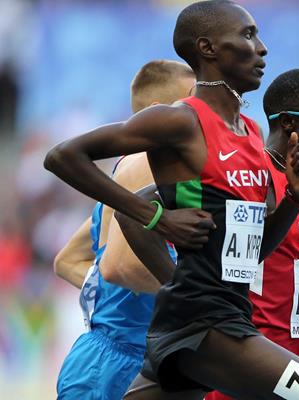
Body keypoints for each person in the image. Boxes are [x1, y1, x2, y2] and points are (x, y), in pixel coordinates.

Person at [44, 2, 299, 398]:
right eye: (247, 35)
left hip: (215, 321)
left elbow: (251, 253)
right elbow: (64, 156)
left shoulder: (249, 132)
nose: (262, 48)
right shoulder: (180, 121)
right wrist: (157, 218)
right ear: (208, 48)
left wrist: (294, 199)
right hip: (205, 327)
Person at [115, 69, 299, 400]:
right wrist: (180, 288)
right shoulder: (251, 174)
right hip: (240, 364)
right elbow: (132, 211)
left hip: (290, 364)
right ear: (289, 125)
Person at [53, 59, 202, 399]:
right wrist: (200, 297)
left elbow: (69, 261)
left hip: (130, 354)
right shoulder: (145, 162)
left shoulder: (140, 181)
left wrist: (116, 305)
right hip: (119, 362)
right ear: (156, 112)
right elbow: (119, 267)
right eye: (190, 103)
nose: (199, 116)